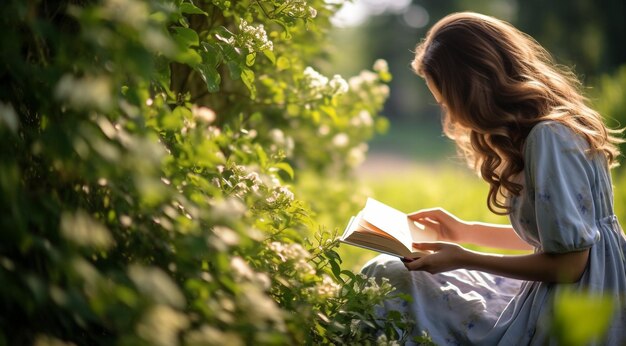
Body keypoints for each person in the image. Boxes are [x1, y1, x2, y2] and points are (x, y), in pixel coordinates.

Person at [361, 12, 626, 345]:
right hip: (584, 286)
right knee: (388, 271)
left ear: (474, 88)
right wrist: (461, 230)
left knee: (387, 275)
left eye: (447, 102)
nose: (451, 115)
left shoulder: (549, 138)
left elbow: (571, 264)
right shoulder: (550, 130)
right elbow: (557, 238)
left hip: (579, 301)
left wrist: (463, 256)